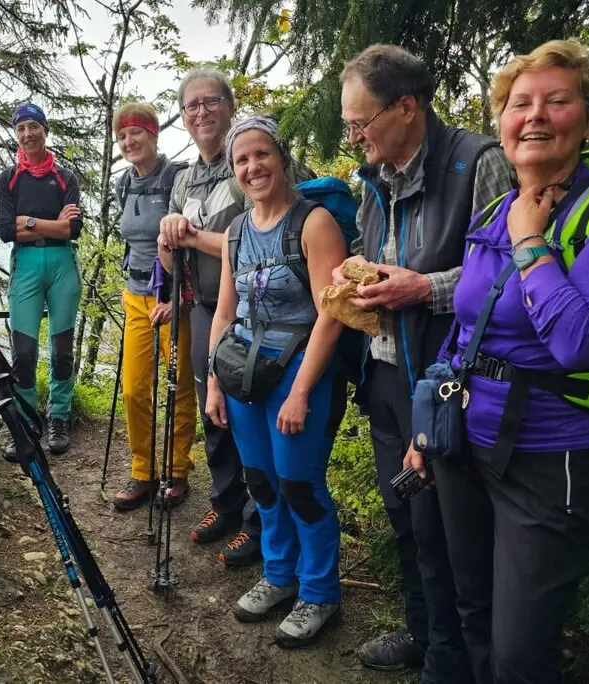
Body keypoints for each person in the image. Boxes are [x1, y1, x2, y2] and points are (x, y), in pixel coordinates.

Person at [407, 39, 589, 684]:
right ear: (502, 123)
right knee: (475, 614)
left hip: (550, 456)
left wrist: (529, 241)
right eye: (520, 103)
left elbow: (581, 341)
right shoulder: (492, 209)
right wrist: (429, 422)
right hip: (464, 444)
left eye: (557, 100)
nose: (536, 115)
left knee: (521, 653)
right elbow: (468, 326)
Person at [336, 44, 514, 679]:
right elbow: (371, 246)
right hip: (386, 373)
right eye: (349, 125)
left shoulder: (477, 164)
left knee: (452, 537)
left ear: (406, 108)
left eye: (361, 123)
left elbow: (506, 274)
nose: (354, 137)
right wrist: (354, 273)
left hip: (449, 384)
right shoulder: (377, 179)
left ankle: (455, 663)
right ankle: (423, 634)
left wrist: (424, 287)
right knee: (407, 520)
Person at [205, 115, 348, 648]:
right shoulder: (237, 232)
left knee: (300, 484)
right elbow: (224, 313)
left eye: (261, 154)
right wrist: (214, 382)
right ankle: (280, 574)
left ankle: (319, 591)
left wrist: (303, 390)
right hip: (242, 372)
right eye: (242, 160)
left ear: (281, 158)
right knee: (262, 481)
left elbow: (331, 314)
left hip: (296, 369)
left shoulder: (312, 224)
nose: (253, 166)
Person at [157, 68, 260, 566]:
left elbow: (262, 235)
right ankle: (225, 502)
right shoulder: (183, 179)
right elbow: (169, 263)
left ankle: (260, 520)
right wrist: (166, 238)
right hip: (202, 306)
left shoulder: (251, 161)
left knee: (248, 411)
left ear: (229, 105)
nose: (201, 112)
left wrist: (193, 236)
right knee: (212, 408)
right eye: (191, 105)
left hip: (255, 310)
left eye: (210, 101)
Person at [110, 103, 195, 510]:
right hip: (135, 296)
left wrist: (180, 291)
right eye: (122, 136)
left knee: (178, 387)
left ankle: (177, 470)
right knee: (134, 387)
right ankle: (144, 470)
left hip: (173, 297)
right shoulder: (124, 184)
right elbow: (131, 241)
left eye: (136, 133)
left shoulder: (177, 177)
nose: (129, 142)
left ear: (154, 134)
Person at [0, 103, 82, 454]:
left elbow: (72, 228)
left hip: (63, 263)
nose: (28, 134)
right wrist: (50, 224)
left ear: (45, 130)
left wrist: (26, 222)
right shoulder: (9, 178)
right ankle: (29, 421)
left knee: (62, 349)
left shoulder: (65, 176)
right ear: (16, 134)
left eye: (34, 126)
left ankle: (58, 416)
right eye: (21, 128)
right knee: (24, 350)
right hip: (27, 265)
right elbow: (4, 230)